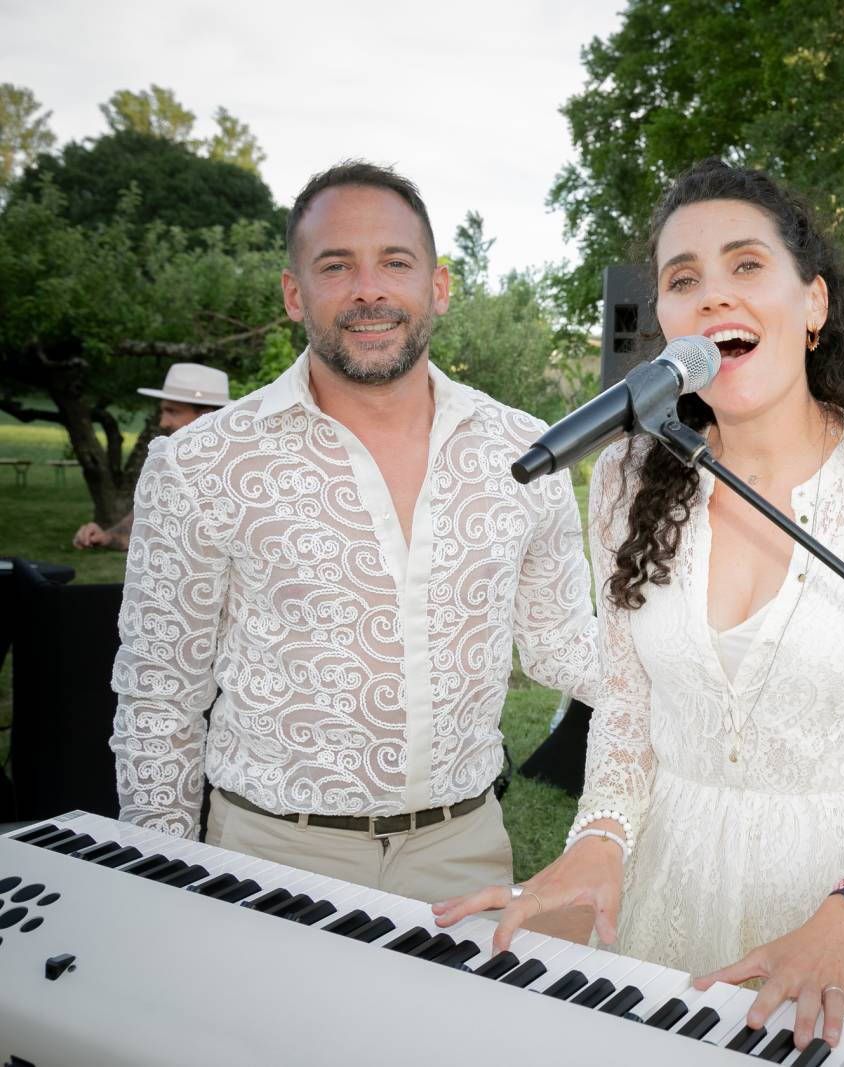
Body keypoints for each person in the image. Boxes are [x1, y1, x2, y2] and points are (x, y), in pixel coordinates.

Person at [435, 159, 844, 1055]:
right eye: (683, 280)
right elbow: (627, 713)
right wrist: (597, 838)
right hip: (678, 893)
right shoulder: (625, 480)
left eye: (746, 266)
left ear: (814, 304)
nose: (713, 297)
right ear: (663, 322)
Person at [110, 162, 598, 903]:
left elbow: (562, 645)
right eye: (337, 265)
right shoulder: (201, 464)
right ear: (293, 292)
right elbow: (159, 698)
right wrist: (160, 880)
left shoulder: (526, 453)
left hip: (464, 852)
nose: (369, 288)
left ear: (437, 285)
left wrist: (712, 677)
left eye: (394, 262)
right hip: (268, 853)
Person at [72, 363, 228, 550]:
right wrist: (105, 536)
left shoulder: (236, 470)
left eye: (172, 412)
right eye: (163, 411)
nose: (163, 422)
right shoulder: (171, 463)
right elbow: (145, 522)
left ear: (205, 415)